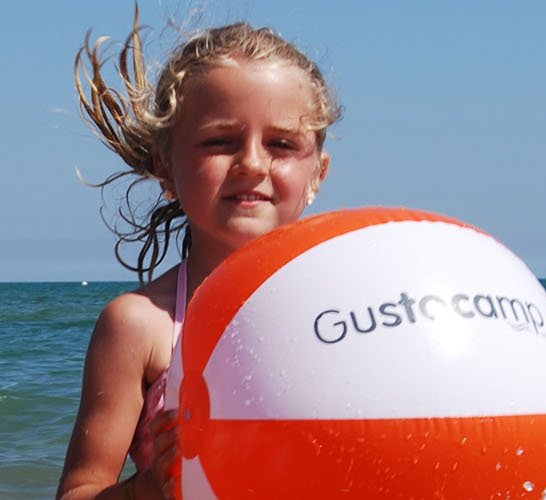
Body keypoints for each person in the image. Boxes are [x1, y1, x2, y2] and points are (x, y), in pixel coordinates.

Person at [57, 14, 340, 500]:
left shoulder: (351, 308)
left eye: (281, 144)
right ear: (167, 167)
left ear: (318, 173)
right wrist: (149, 487)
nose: (252, 162)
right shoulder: (141, 325)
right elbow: (79, 490)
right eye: (219, 142)